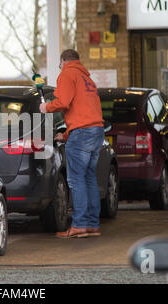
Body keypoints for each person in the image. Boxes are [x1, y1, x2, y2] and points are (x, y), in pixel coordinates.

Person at [39, 49, 104, 238]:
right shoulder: (87, 78)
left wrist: (46, 107)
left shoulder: (67, 73)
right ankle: (92, 224)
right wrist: (67, 134)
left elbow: (63, 102)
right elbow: (87, 112)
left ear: (63, 61)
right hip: (96, 130)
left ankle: (79, 225)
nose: (59, 67)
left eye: (60, 64)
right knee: (89, 177)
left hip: (82, 132)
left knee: (76, 180)